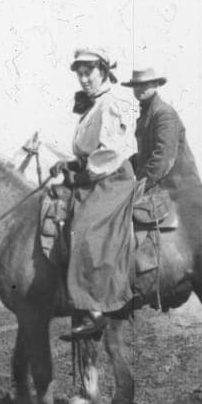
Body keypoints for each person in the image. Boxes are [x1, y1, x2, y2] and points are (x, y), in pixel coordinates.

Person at [50, 48, 138, 341]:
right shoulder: (93, 105)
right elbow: (89, 150)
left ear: (103, 70)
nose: (84, 79)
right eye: (80, 73)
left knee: (84, 229)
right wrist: (70, 164)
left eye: (89, 72)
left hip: (111, 177)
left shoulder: (112, 103)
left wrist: (82, 173)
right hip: (96, 174)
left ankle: (96, 312)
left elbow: (110, 152)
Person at [123, 67, 201, 190]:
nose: (139, 89)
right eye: (136, 85)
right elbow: (147, 154)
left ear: (155, 85)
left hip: (178, 190)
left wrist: (140, 184)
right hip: (160, 186)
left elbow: (164, 157)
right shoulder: (146, 116)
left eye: (144, 84)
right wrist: (123, 165)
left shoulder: (164, 114)